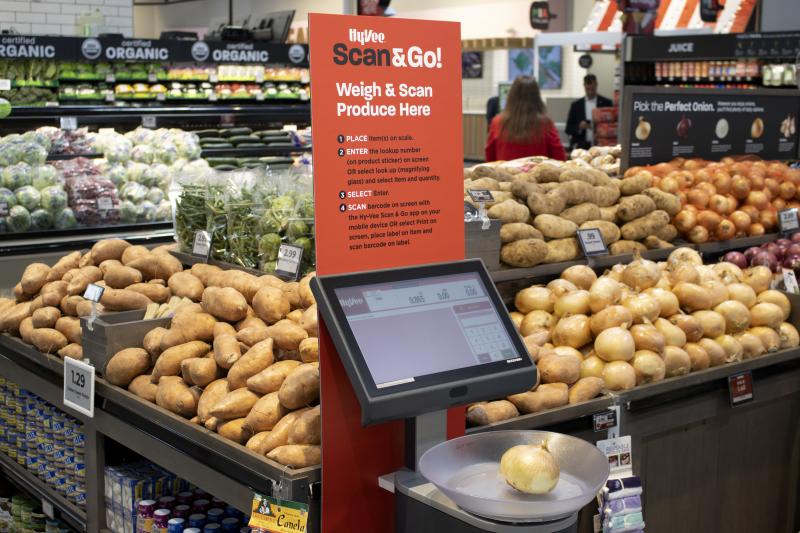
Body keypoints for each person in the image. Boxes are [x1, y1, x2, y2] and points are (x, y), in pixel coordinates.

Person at [484, 76, 566, 162]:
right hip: (537, 174)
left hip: (504, 173)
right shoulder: (546, 123)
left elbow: (490, 156)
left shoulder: (497, 122)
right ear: (537, 96)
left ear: (511, 95)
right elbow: (559, 156)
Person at [566, 74, 613, 151]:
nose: (590, 89)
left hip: (601, 146)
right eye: (588, 86)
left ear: (596, 85)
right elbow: (568, 129)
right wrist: (579, 127)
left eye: (592, 86)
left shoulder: (606, 103)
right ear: (584, 86)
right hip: (580, 146)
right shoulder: (576, 105)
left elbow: (612, 125)